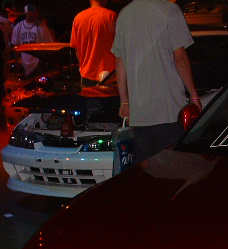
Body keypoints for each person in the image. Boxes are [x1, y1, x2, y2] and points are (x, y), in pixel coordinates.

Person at [112, 0, 201, 163]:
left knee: (147, 171)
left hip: (139, 115)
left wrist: (124, 102)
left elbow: (120, 62)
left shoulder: (124, 15)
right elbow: (180, 58)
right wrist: (194, 95)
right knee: (172, 169)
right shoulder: (169, 10)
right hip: (170, 111)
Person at [70, 0, 117, 86]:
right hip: (109, 78)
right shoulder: (112, 16)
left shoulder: (78, 18)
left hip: (86, 76)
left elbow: (76, 49)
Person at [11, 3, 54, 76]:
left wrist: (42, 61)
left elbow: (49, 46)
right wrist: (17, 61)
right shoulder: (18, 27)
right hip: (23, 63)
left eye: (34, 12)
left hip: (37, 64)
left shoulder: (42, 27)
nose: (32, 14)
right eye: (30, 12)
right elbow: (15, 46)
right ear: (26, 13)